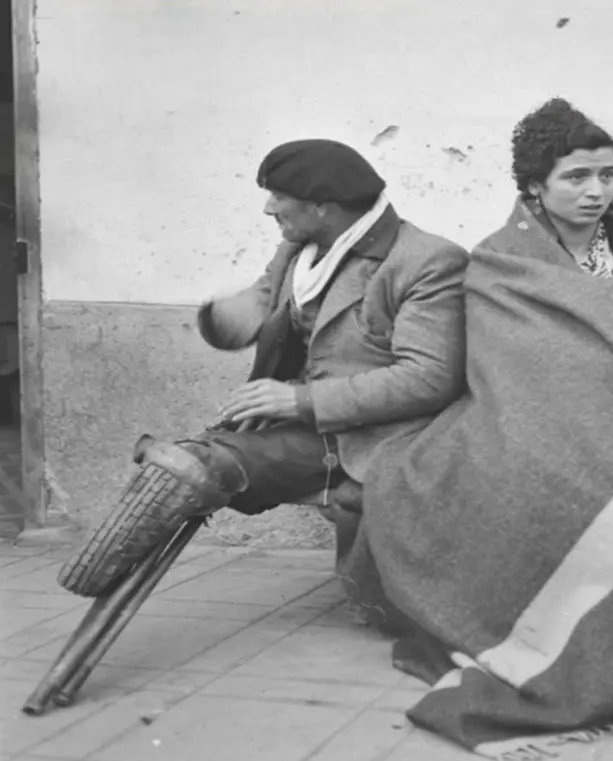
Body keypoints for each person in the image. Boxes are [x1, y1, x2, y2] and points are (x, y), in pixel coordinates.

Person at [340, 98, 613, 758]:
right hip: (526, 416)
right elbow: (519, 360)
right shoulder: (502, 260)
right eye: (577, 177)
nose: (596, 191)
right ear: (535, 184)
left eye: (608, 174)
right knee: (557, 491)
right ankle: (590, 652)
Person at [58, 139, 469, 594]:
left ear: (322, 205)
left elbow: (429, 377)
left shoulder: (426, 262)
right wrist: (227, 320)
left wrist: (300, 400)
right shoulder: (299, 252)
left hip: (378, 441)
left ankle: (92, 583)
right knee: (187, 463)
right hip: (304, 432)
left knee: (196, 465)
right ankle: (94, 581)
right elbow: (255, 307)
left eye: (278, 196)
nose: (268, 208)